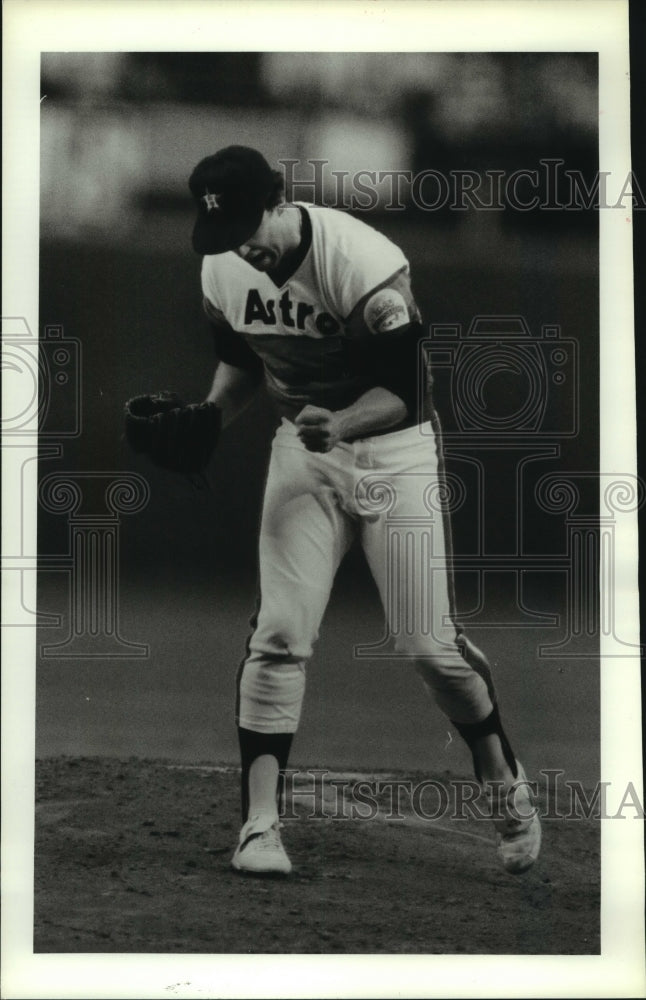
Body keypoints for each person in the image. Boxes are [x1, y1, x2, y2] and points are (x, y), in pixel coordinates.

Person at [188, 145, 541, 877]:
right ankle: (259, 827)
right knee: (281, 631)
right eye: (227, 234)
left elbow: (408, 394)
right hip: (305, 452)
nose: (243, 246)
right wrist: (206, 417)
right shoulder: (220, 267)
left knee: (428, 648)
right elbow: (244, 364)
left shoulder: (362, 260)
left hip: (394, 455)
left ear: (281, 200)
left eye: (252, 224)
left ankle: (503, 780)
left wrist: (340, 426)